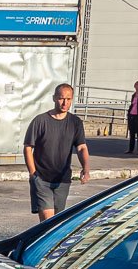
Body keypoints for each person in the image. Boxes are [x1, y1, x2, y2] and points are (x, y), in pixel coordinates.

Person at [23, 83, 90, 222]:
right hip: (41, 179)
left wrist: (86, 168)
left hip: (63, 181)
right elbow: (28, 148)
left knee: (57, 223)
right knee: (48, 222)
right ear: (54, 98)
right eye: (61, 98)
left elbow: (81, 147)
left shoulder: (75, 122)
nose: (65, 102)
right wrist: (33, 174)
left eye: (68, 99)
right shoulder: (40, 121)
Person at [127, 80, 138, 153]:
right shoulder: (133, 95)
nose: (137, 86)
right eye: (136, 85)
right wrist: (129, 112)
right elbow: (132, 104)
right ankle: (130, 149)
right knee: (132, 133)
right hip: (132, 114)